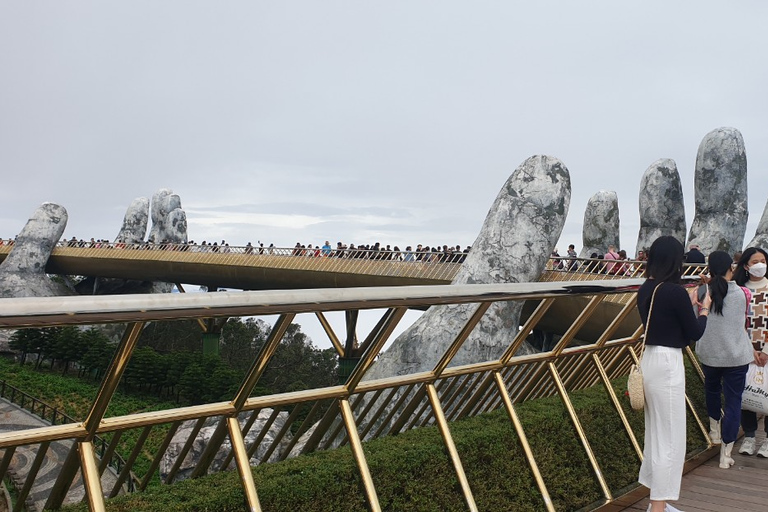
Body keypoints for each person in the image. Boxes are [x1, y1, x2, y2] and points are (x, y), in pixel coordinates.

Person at [637, 236, 710, 512]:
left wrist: (687, 303)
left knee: (655, 433)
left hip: (649, 361)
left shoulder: (646, 288)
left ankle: (658, 503)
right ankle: (658, 508)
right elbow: (693, 334)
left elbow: (661, 323)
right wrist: (703, 309)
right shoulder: (675, 292)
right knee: (670, 438)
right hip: (668, 363)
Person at [694, 251, 756, 469]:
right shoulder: (743, 294)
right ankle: (725, 455)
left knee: (711, 391)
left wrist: (706, 282)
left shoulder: (703, 291)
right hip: (736, 356)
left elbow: (699, 312)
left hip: (710, 354)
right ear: (731, 267)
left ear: (710, 269)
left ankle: (714, 432)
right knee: (733, 402)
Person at [734, 247, 768, 457]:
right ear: (746, 266)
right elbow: (737, 323)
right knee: (746, 395)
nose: (759, 265)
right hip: (745, 351)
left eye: (763, 260)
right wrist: (749, 350)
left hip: (766, 351)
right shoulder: (740, 290)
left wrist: (765, 351)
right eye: (755, 261)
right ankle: (749, 437)